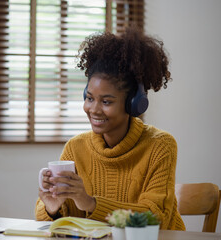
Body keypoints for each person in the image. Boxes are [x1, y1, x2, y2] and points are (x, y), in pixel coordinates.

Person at [35, 27, 185, 230]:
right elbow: (48, 223)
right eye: (89, 98)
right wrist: (53, 209)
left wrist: (91, 204)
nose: (94, 109)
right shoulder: (75, 148)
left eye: (106, 101)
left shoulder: (160, 146)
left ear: (134, 103)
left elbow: (155, 217)